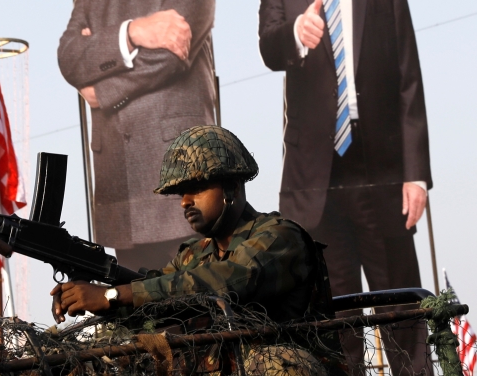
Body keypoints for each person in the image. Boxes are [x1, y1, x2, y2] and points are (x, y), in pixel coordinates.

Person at [257, 0, 433, 374]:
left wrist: (416, 174)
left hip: (381, 170)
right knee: (332, 324)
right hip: (315, 178)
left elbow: (407, 74)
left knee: (401, 310)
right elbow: (269, 47)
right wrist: (297, 32)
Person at [57, 0, 216, 269]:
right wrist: (133, 32)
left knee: (201, 307)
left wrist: (104, 87)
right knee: (135, 311)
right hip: (119, 192)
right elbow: (69, 57)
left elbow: (173, 58)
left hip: (185, 183)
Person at [51, 125, 329, 325]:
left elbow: (227, 280)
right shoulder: (194, 255)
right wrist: (85, 297)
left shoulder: (280, 237)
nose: (185, 202)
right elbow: (156, 300)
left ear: (232, 188)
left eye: (196, 188)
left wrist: (112, 295)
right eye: (180, 193)